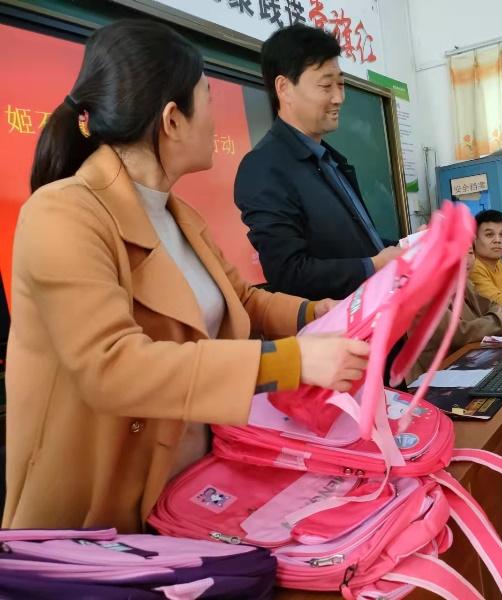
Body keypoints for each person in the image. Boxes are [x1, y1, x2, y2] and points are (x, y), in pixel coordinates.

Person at [3, 20, 370, 533]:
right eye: (209, 99)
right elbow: (113, 366)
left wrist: (318, 314)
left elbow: (243, 300)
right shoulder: (62, 214)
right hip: (100, 518)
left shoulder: (179, 216)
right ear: (173, 119)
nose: (217, 118)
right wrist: (293, 361)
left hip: (190, 491)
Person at [234, 24, 402, 301]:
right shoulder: (263, 168)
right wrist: (372, 266)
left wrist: (407, 246)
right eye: (326, 86)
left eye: (341, 84)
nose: (339, 97)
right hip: (336, 325)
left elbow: (354, 246)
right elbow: (288, 272)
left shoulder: (330, 160)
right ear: (284, 88)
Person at [407, 245, 502, 382]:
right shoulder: (424, 293)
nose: (466, 260)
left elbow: (491, 305)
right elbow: (458, 333)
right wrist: (499, 321)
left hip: (470, 363)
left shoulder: (463, 282)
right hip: (439, 378)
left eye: (470, 252)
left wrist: (500, 316)